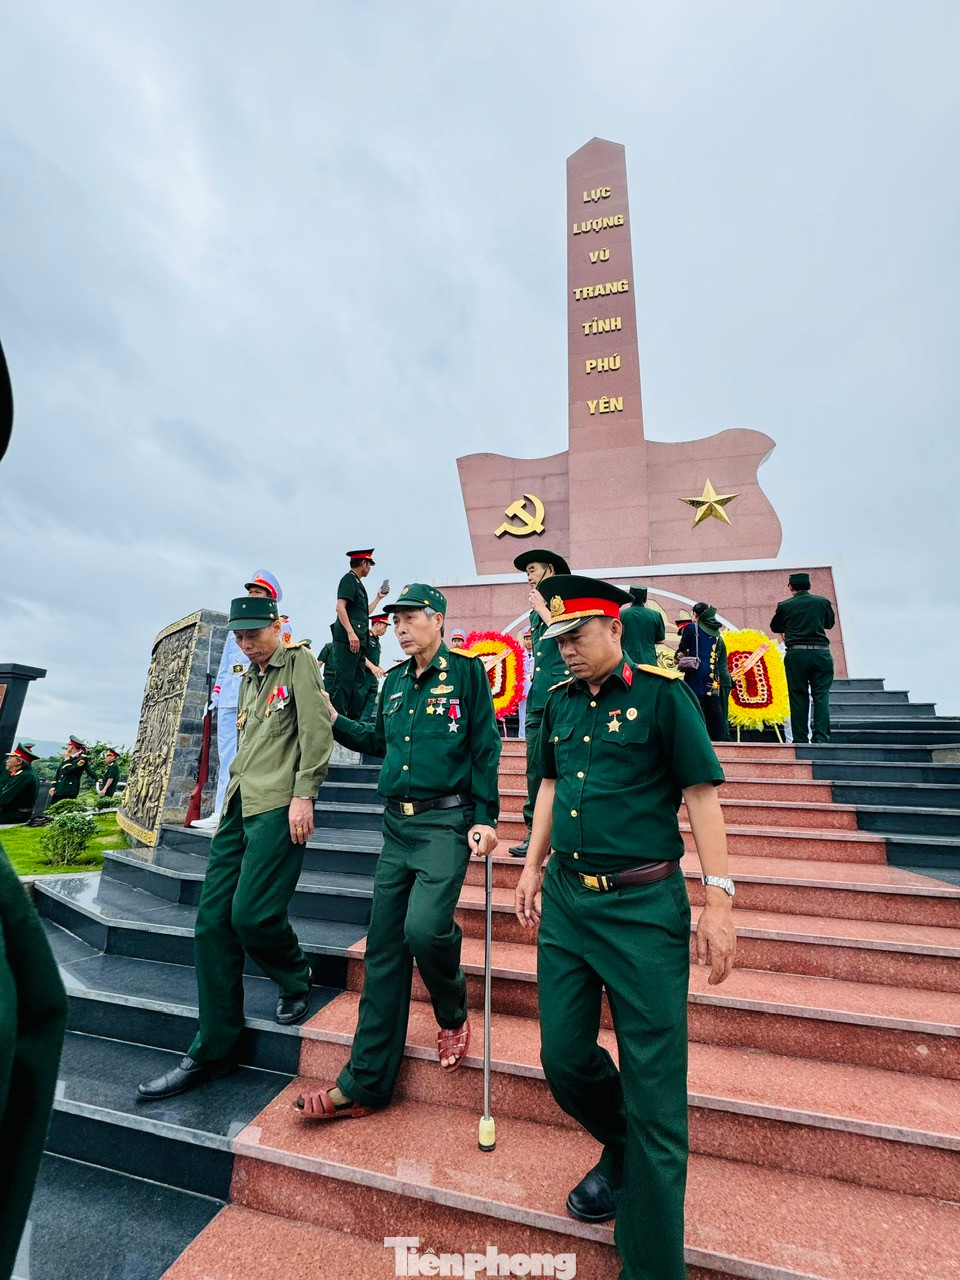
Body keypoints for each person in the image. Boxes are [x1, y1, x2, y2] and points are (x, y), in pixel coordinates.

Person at [514, 574, 736, 1280]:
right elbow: (550, 784)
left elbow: (701, 795)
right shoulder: (557, 703)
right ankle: (621, 1144)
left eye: (577, 636)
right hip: (569, 902)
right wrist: (531, 865)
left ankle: (649, 1263)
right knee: (562, 1057)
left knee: (657, 1100)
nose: (566, 651)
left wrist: (720, 900)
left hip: (643, 910)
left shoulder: (664, 697)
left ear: (615, 628)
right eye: (557, 640)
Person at [295, 583, 500, 1121]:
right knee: (384, 951)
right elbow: (375, 740)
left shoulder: (468, 675)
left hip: (446, 824)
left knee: (424, 929)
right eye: (396, 620)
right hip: (397, 829)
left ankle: (452, 1012)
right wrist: (333, 716)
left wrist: (485, 818)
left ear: (436, 619)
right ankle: (365, 1083)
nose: (401, 628)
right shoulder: (393, 688)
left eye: (409, 619)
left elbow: (484, 747)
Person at [137, 593, 334, 1101]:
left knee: (251, 915)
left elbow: (316, 733)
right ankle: (215, 1046)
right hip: (238, 807)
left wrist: (304, 796)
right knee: (211, 922)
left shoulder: (300, 665)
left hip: (278, 807)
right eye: (240, 637)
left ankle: (295, 976)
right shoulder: (247, 679)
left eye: (254, 634)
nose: (247, 645)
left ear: (277, 626)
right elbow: (246, 746)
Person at [191, 570, 284, 832]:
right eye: (251, 591)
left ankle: (244, 811)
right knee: (227, 757)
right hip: (231, 697)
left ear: (270, 599)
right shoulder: (238, 626)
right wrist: (217, 695)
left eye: (258, 592)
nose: (252, 595)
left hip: (254, 696)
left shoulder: (280, 626)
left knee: (252, 756)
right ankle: (221, 810)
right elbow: (225, 665)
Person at [509, 549, 572, 858]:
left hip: (563, 692)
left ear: (549, 569)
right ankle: (536, 833)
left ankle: (564, 832)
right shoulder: (537, 607)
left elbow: (569, 633)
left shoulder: (563, 598)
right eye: (527, 572)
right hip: (539, 696)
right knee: (535, 766)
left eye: (533, 569)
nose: (529, 576)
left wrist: (544, 608)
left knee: (566, 764)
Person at [771, 571, 836, 743]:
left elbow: (775, 626)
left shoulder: (785, 606)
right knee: (821, 696)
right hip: (821, 653)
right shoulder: (822, 602)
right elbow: (829, 624)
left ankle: (800, 739)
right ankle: (822, 737)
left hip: (796, 654)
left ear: (791, 587)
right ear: (809, 586)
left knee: (798, 695)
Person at [325, 550, 389, 718]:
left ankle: (352, 721)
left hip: (359, 643)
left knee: (358, 683)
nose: (370, 568)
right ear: (363, 564)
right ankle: (337, 720)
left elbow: (362, 613)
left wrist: (378, 598)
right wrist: (351, 633)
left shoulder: (357, 584)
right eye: (369, 565)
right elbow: (340, 607)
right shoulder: (348, 580)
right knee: (344, 681)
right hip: (348, 641)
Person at [675, 603, 729, 742]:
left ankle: (698, 739)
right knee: (714, 708)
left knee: (696, 705)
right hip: (712, 675)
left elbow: (682, 650)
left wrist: (677, 658)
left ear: (695, 614)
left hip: (696, 672)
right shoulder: (716, 632)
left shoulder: (691, 628)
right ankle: (720, 740)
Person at [619, 585, 665, 666]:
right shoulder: (656, 615)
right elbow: (661, 639)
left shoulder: (620, 615)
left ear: (630, 598)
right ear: (645, 599)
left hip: (626, 661)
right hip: (649, 661)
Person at [358, 613, 389, 723]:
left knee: (371, 703)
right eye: (384, 627)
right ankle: (357, 725)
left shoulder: (376, 640)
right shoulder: (365, 636)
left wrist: (381, 669)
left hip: (372, 677)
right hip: (363, 676)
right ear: (377, 624)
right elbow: (360, 654)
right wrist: (372, 667)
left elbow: (373, 659)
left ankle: (363, 725)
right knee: (360, 702)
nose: (385, 630)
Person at [48, 736, 97, 803]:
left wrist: (67, 759)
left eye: (69, 745)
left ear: (72, 747)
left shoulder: (81, 759)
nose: (67, 747)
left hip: (69, 790)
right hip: (59, 789)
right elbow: (59, 772)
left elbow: (69, 770)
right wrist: (53, 786)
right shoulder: (68, 757)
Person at [0, 744, 40, 824]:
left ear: (19, 761)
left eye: (10, 758)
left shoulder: (24, 776)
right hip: (14, 812)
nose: (7, 760)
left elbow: (5, 799)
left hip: (17, 814)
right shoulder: (24, 774)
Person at [517, 628, 534, 740]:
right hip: (523, 686)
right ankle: (522, 736)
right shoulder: (519, 655)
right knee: (523, 713)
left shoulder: (538, 654)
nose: (528, 641)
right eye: (526, 639)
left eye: (530, 638)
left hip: (535, 685)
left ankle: (533, 736)